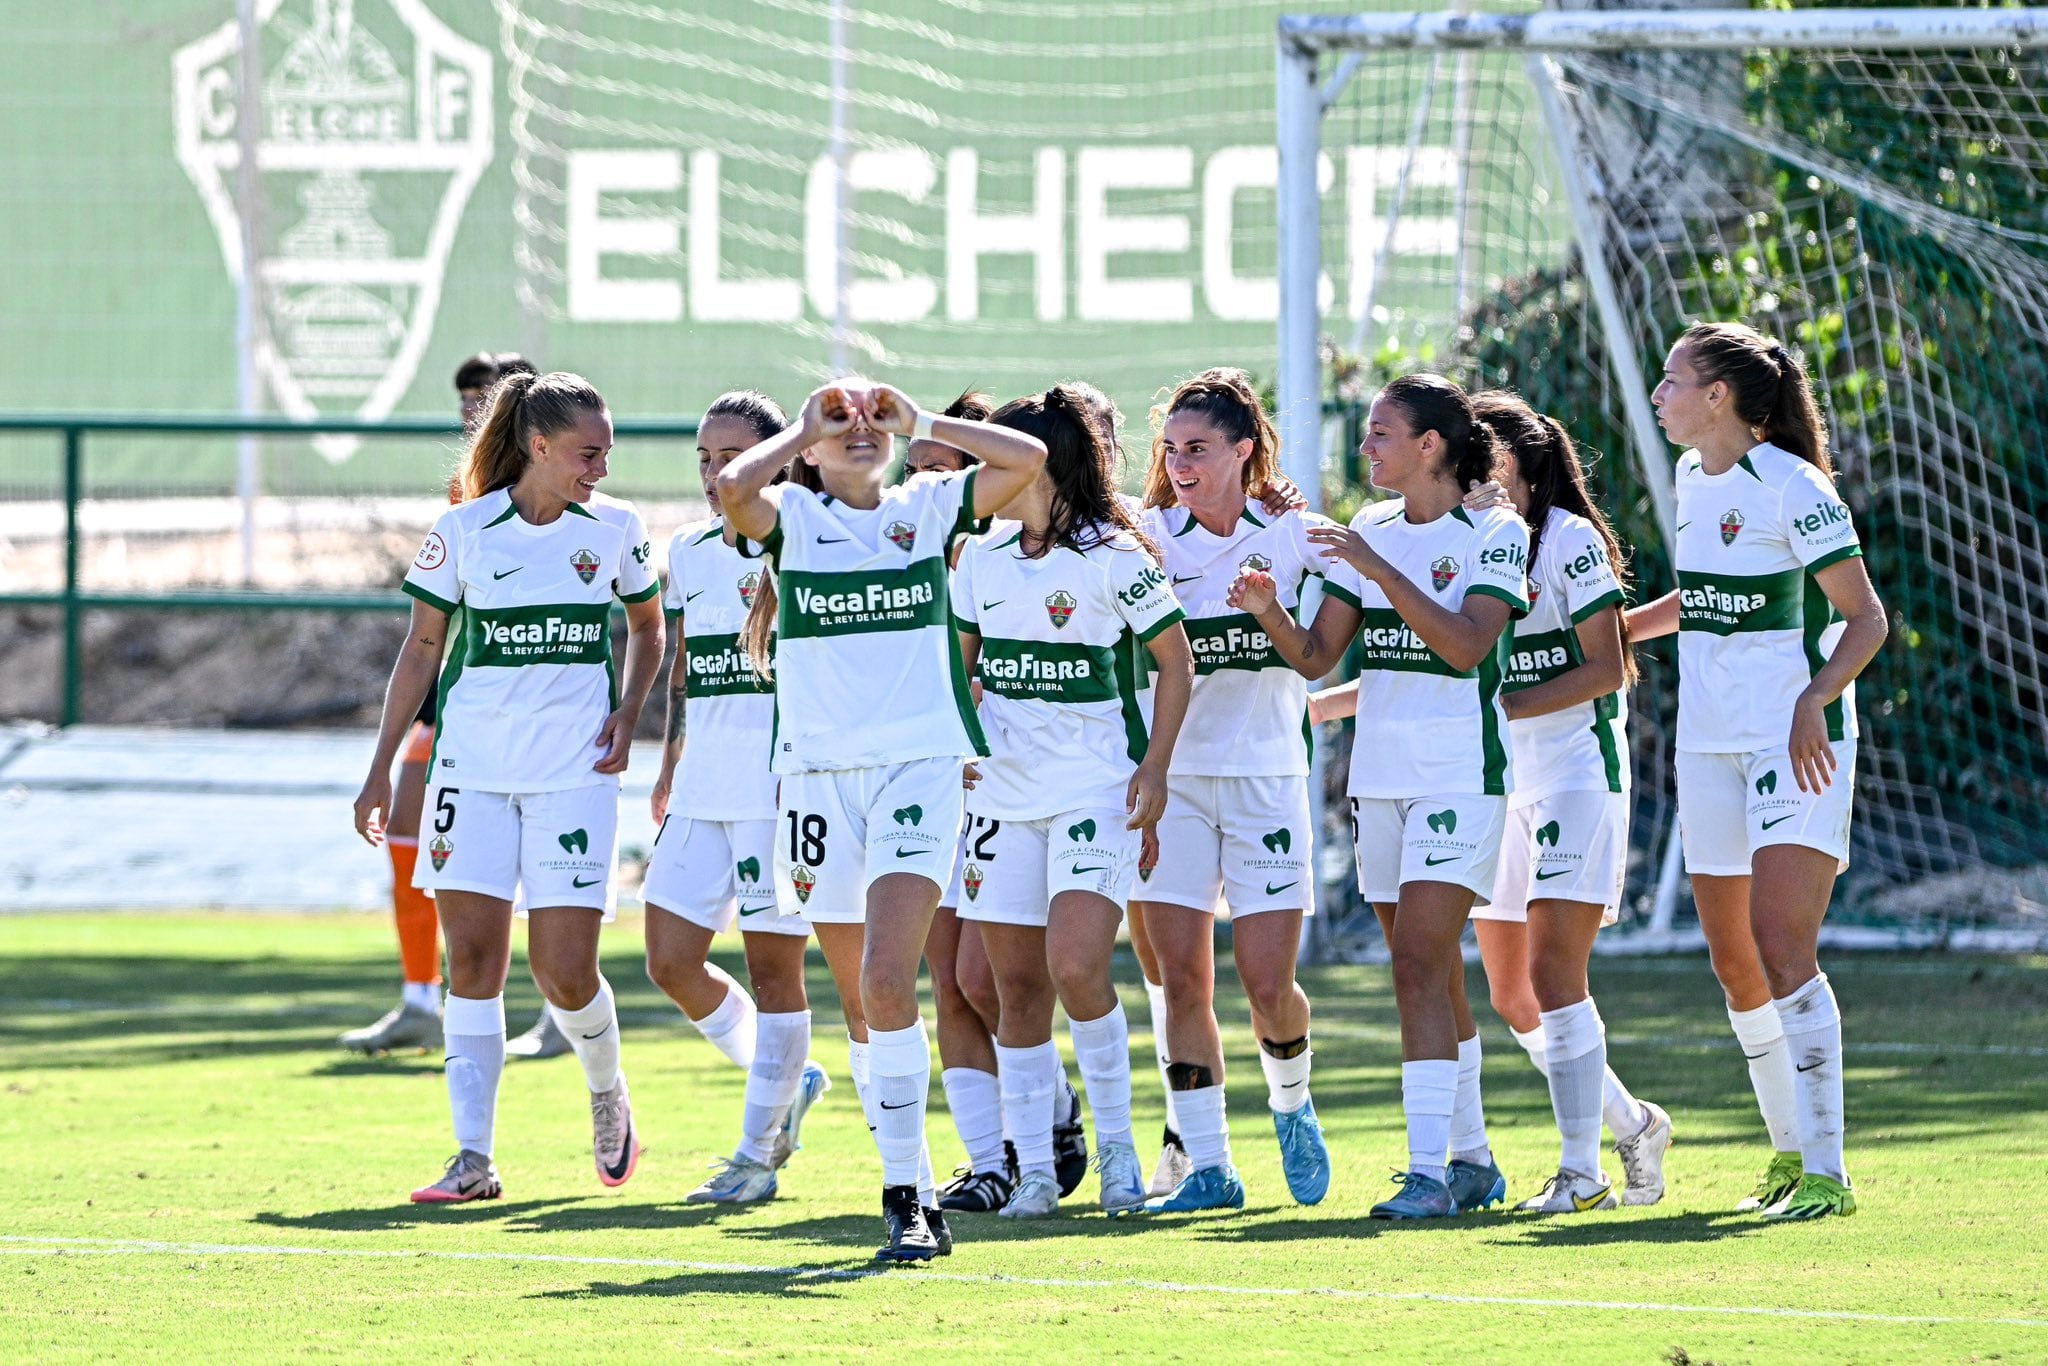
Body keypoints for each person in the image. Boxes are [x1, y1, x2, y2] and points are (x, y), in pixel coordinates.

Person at [1307, 390, 1671, 1212]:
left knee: (1550, 974)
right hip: (1489, 773)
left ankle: (1581, 1172)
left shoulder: (1560, 541)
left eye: (1490, 452)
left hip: (1571, 773)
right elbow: (1419, 661)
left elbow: (1604, 667)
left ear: (1518, 462)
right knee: (1504, 992)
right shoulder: (1424, 534)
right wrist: (1327, 704)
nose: (1478, 468)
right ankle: (1622, 1123)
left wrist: (1490, 704)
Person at [720, 378, 1046, 1261]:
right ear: (814, 454)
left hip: (917, 769)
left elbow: (1031, 459)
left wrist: (923, 423)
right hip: (820, 779)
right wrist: (800, 426)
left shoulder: (931, 505)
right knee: (864, 1002)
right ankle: (907, 1166)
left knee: (888, 984)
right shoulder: (791, 515)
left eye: (871, 424)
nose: (858, 433)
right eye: (841, 426)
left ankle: (908, 1195)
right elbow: (732, 492)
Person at [351, 371, 666, 1203]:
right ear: (538, 446)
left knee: (564, 972)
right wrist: (381, 768)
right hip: (473, 773)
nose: (600, 467)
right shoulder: (463, 531)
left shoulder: (618, 529)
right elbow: (420, 650)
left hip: (575, 774)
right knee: (475, 961)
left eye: (606, 453)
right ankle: (473, 1159)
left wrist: (631, 711)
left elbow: (646, 622)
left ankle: (606, 1089)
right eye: (587, 452)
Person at [1242, 373, 1528, 1219]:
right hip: (1379, 784)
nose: (1364, 449)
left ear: (1430, 446)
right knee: (1433, 979)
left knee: (1414, 967)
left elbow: (1468, 648)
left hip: (1458, 778)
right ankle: (1472, 1160)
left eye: (1379, 434)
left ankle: (1427, 1175)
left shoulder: (1495, 530)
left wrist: (1377, 568)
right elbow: (1315, 656)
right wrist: (1267, 611)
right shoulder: (1366, 527)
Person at [1629, 322, 1886, 1220]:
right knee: (1736, 963)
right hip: (1708, 746)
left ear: (1718, 397)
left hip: (1794, 744)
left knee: (1784, 950)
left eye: (1673, 378)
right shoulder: (1691, 478)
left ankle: (1828, 1173)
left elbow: (1866, 621)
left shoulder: (1795, 484)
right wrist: (1624, 629)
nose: (1661, 393)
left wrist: (1814, 699)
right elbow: (1704, 597)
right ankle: (1786, 1157)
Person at [951, 386, 1195, 1217]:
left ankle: (1123, 1156)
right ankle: (1036, 1175)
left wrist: (1155, 771)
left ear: (1039, 464)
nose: (983, 474)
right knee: (1014, 990)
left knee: (1077, 965)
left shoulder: (1113, 557)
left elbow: (1177, 663)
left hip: (1095, 789)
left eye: (996, 459)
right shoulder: (978, 558)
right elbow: (959, 664)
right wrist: (959, 745)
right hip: (1000, 797)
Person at [1128, 367, 1333, 1215]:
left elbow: (1324, 651)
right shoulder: (1141, 536)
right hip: (1171, 786)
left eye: (1199, 448)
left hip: (1266, 785)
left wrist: (1269, 614)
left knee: (1265, 984)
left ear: (1244, 452)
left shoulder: (1293, 536)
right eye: (1171, 449)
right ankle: (1209, 1163)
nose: (1180, 463)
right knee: (1183, 979)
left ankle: (1291, 1104)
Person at [342, 349, 566, 1060]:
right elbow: (436, 624)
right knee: (407, 833)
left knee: (538, 863)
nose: (475, 409)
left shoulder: (568, 494)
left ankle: (565, 1005)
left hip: (530, 704)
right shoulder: (464, 494)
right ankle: (418, 997)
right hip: (458, 694)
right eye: (468, 396)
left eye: (489, 397)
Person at [643, 391, 831, 1204]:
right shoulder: (686, 551)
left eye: (732, 458)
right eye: (705, 459)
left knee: (772, 968)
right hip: (699, 789)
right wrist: (667, 761)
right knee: (669, 960)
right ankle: (790, 1077)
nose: (717, 474)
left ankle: (755, 1158)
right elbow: (686, 667)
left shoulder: (806, 549)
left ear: (775, 463)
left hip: (777, 790)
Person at [912, 390, 1094, 1214]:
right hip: (929, 773)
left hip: (1008, 779)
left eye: (943, 473)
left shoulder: (1026, 540)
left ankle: (1052, 1115)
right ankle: (995, 1159)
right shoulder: (902, 538)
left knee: (988, 979)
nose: (923, 490)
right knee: (947, 979)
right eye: (912, 473)